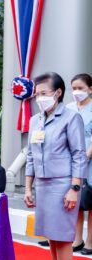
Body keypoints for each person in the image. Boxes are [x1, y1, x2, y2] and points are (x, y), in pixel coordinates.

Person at [24, 72, 87, 260]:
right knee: (51, 237)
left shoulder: (71, 118)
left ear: (58, 92)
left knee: (63, 237)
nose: (39, 98)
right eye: (37, 94)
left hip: (63, 186)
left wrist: (75, 188)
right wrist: (28, 188)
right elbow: (30, 156)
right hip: (42, 186)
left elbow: (79, 155)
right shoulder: (35, 120)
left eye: (44, 93)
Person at [67, 73, 92, 254]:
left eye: (80, 88)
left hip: (89, 161)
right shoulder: (68, 108)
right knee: (76, 201)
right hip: (72, 161)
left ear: (90, 89)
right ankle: (77, 240)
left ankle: (90, 241)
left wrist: (85, 155)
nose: (77, 92)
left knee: (91, 202)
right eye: (74, 88)